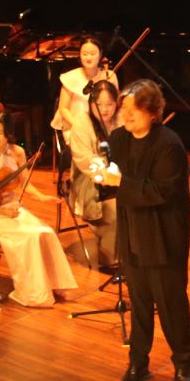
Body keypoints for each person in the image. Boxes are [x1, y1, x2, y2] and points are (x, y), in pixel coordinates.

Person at [98, 78, 190, 381]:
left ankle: (183, 363)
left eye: (134, 109)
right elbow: (111, 181)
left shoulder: (169, 145)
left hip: (163, 237)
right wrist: (99, 176)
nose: (126, 114)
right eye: (124, 108)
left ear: (152, 112)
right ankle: (138, 362)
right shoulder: (118, 139)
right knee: (139, 303)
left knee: (171, 304)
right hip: (133, 235)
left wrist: (119, 182)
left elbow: (159, 193)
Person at [0, 113, 77, 306]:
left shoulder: (17, 152)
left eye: (0, 133)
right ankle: (32, 293)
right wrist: (3, 213)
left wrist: (41, 197)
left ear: (9, 134)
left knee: (45, 232)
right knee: (29, 236)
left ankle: (52, 284)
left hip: (13, 207)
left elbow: (25, 182)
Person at [66, 78, 121, 271]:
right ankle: (111, 260)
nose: (104, 110)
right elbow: (85, 160)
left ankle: (132, 255)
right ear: (91, 103)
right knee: (116, 210)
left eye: (110, 104)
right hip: (91, 183)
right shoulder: (82, 123)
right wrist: (111, 175)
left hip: (118, 179)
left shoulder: (120, 120)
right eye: (99, 104)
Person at [52, 37, 117, 133]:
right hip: (75, 127)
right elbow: (63, 108)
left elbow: (116, 104)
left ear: (100, 54)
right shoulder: (70, 77)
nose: (89, 58)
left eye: (93, 54)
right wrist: (78, 126)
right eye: (85, 54)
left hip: (104, 126)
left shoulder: (110, 76)